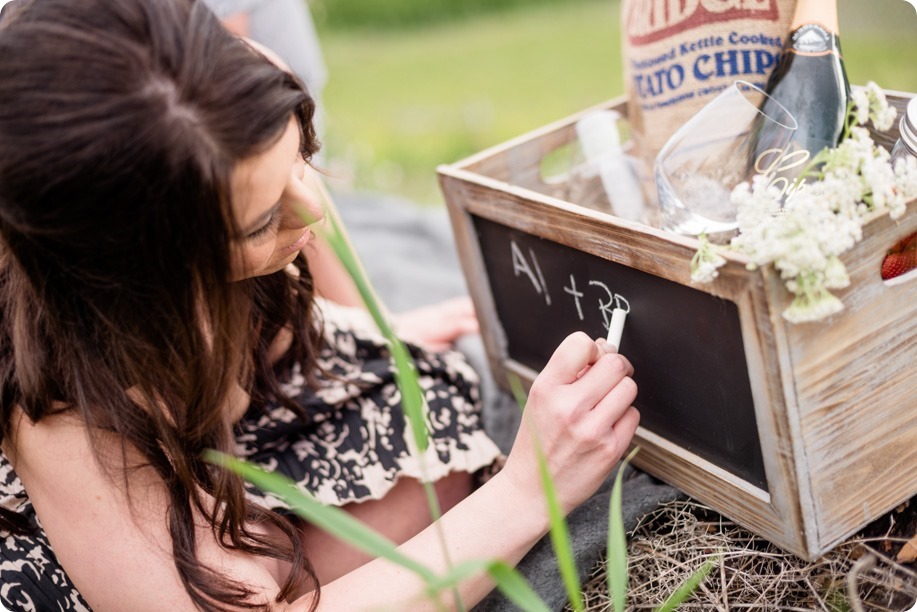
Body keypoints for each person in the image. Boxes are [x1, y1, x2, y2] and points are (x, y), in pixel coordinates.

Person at [0, 1, 640, 610]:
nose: (309, 207)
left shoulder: (196, 91)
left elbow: (279, 186)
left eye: (301, 153)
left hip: (224, 417)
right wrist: (529, 492)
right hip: (104, 503)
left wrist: (358, 323)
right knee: (262, 566)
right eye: (258, 223)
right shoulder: (62, 406)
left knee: (431, 426)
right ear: (138, 271)